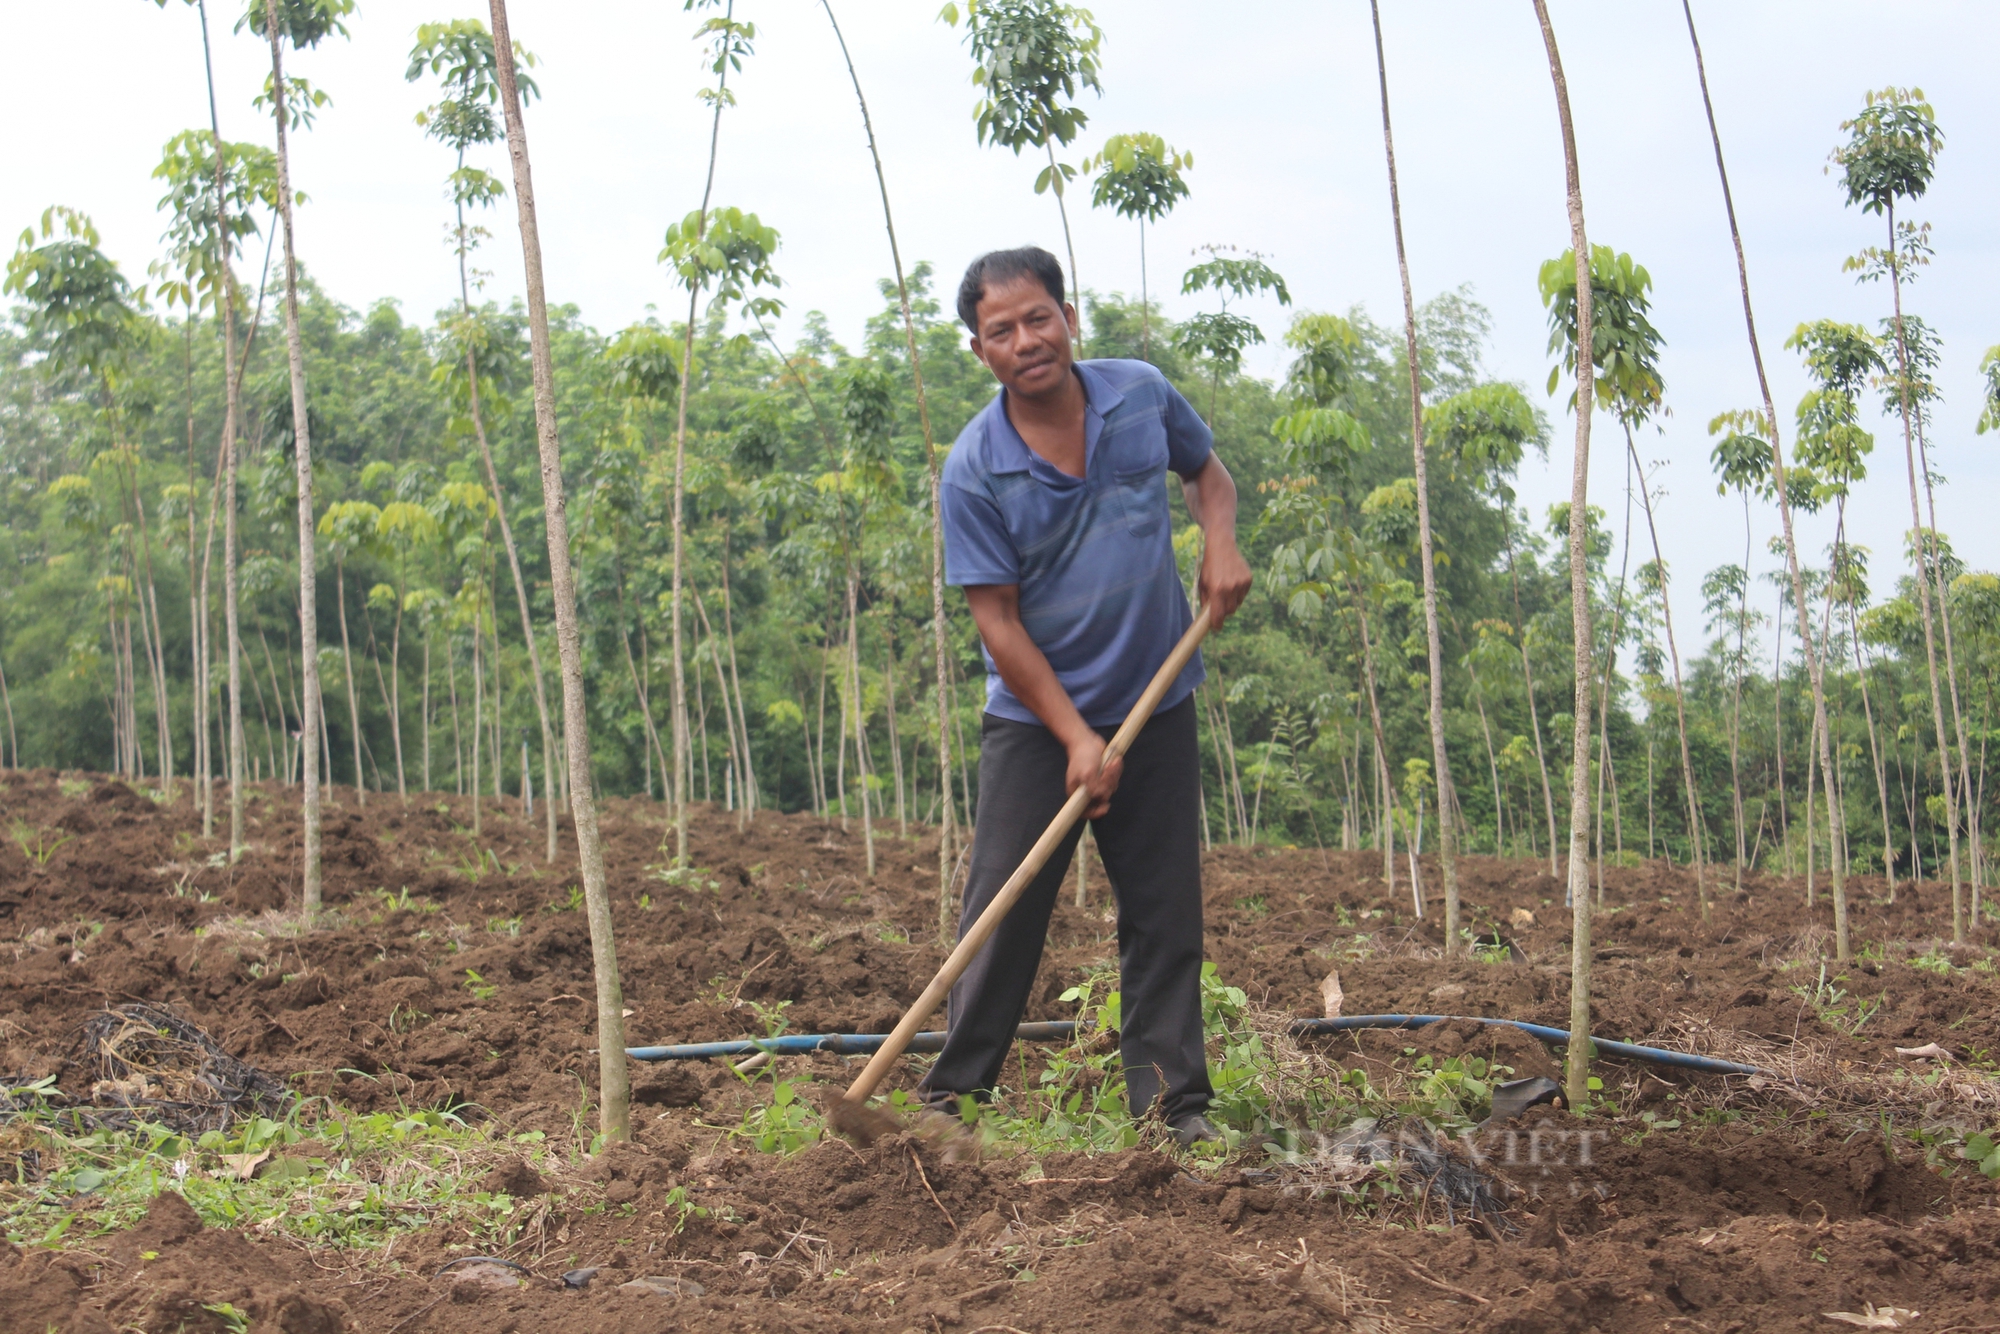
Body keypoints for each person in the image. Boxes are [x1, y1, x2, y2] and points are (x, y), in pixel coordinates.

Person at [921, 246, 1252, 1146]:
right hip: (1036, 722)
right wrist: (1073, 737)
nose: (1026, 340)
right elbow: (997, 623)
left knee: (1162, 911)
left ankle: (1175, 1112)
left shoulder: (1139, 393)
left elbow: (1209, 477)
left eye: (1038, 318)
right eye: (1001, 331)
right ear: (979, 351)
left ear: (1069, 316)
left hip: (1157, 698)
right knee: (1004, 909)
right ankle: (951, 1105)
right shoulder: (974, 470)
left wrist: (1219, 543)